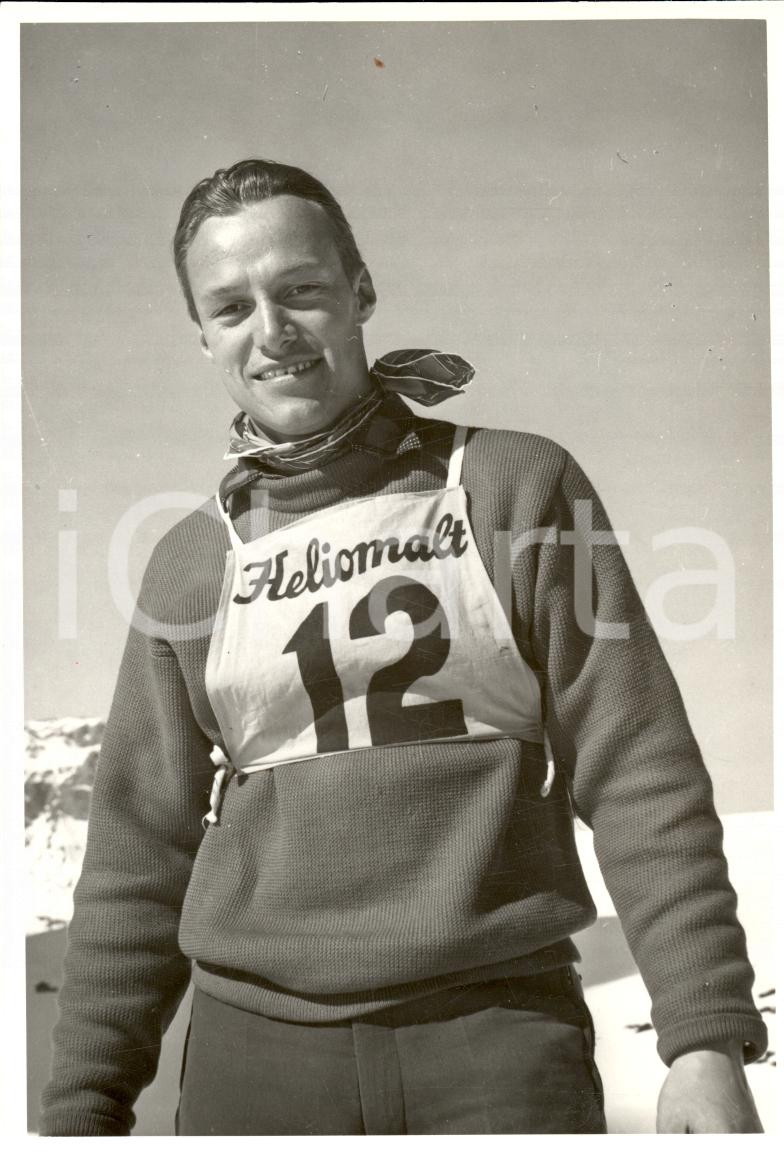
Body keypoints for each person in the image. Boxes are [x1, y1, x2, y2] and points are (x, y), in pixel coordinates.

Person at [40, 159, 766, 1136]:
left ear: (360, 291)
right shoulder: (188, 562)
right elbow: (137, 850)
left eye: (300, 288)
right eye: (231, 306)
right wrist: (82, 1105)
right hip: (255, 1059)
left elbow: (636, 762)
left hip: (496, 1041)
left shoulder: (513, 486)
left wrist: (704, 1038)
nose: (273, 330)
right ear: (203, 335)